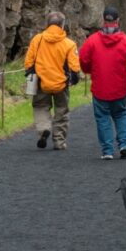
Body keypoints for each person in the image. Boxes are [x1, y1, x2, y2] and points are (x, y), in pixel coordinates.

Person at [79, 7, 126, 160]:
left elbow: (83, 60)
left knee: (102, 118)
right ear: (118, 21)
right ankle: (124, 144)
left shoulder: (93, 40)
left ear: (103, 20)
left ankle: (107, 150)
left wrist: (89, 70)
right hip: (119, 88)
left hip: (100, 87)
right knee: (121, 114)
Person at [24, 11, 82, 151]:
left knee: (40, 107)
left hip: (41, 83)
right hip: (61, 85)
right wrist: (74, 80)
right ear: (63, 25)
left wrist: (32, 74)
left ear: (47, 24)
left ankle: (44, 128)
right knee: (62, 112)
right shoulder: (69, 44)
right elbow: (74, 67)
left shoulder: (37, 40)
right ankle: (59, 141)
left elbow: (28, 62)